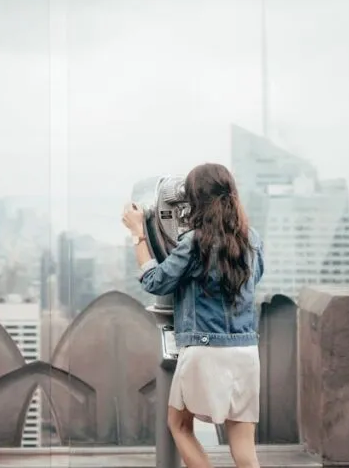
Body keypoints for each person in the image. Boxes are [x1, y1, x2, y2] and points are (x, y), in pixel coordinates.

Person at [122, 162, 264, 468]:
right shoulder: (252, 239)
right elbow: (254, 279)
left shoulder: (194, 243)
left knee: (180, 426)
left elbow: (154, 281)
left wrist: (138, 233)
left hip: (204, 351)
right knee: (243, 447)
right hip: (246, 352)